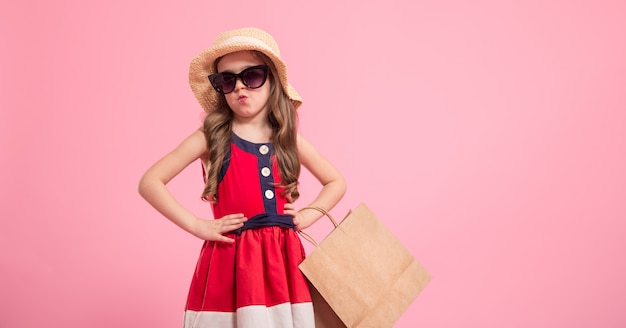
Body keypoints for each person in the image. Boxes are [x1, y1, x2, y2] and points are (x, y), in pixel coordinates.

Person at [138, 27, 346, 328]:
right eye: (227, 80)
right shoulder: (211, 137)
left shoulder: (288, 138)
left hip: (283, 263)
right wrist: (198, 225)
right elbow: (150, 181)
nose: (239, 88)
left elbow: (335, 181)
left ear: (272, 79)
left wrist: (307, 215)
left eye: (251, 76)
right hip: (231, 262)